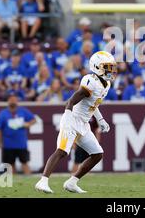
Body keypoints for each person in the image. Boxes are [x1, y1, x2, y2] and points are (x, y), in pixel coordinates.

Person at [35, 51, 115, 194]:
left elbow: (93, 104)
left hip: (84, 124)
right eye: (107, 67)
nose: (110, 70)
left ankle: (72, 183)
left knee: (97, 154)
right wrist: (68, 114)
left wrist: (100, 119)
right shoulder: (91, 81)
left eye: (111, 67)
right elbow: (73, 99)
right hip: (72, 119)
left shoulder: (106, 84)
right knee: (62, 151)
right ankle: (43, 181)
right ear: (97, 67)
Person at [0, 94, 36, 174]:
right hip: (8, 144)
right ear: (8, 101)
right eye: (11, 100)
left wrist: (27, 124)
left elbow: (34, 120)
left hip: (21, 143)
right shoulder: (3, 113)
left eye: (14, 100)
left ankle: (29, 182)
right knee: (10, 165)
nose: (13, 101)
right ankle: (14, 184)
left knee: (24, 163)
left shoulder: (23, 111)